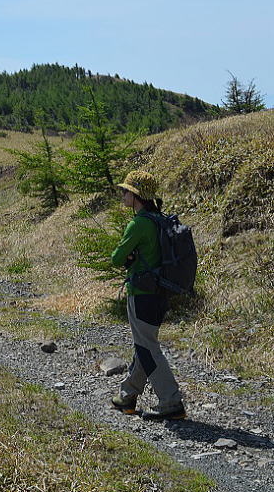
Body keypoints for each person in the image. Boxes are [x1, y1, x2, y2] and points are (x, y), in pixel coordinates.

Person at [109, 171, 186, 420]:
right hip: (160, 293)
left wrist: (128, 258)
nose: (123, 194)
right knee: (144, 345)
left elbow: (116, 258)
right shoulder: (158, 220)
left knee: (148, 348)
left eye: (126, 190)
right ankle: (127, 395)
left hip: (141, 293)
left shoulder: (138, 223)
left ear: (136, 195)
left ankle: (171, 401)